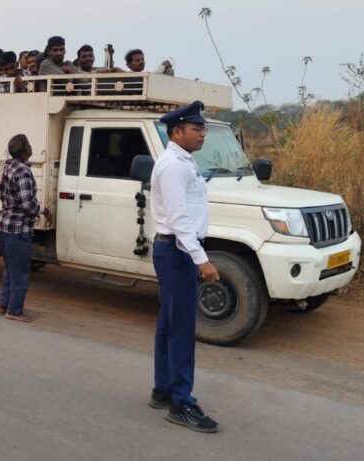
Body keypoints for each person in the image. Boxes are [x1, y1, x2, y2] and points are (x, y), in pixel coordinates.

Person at [148, 100, 220, 433]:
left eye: (203, 128)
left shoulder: (181, 161)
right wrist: (200, 259)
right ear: (177, 132)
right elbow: (179, 218)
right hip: (177, 252)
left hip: (174, 250)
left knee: (169, 323)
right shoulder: (174, 166)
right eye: (196, 128)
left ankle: (163, 389)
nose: (202, 134)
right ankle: (181, 402)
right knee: (180, 329)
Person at [0, 134, 49, 322]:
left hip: (4, 224)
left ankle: (4, 304)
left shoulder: (6, 166)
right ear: (24, 149)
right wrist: (43, 210)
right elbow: (28, 204)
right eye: (29, 144)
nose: (31, 147)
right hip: (18, 229)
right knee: (21, 273)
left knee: (10, 268)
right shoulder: (23, 171)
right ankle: (14, 311)